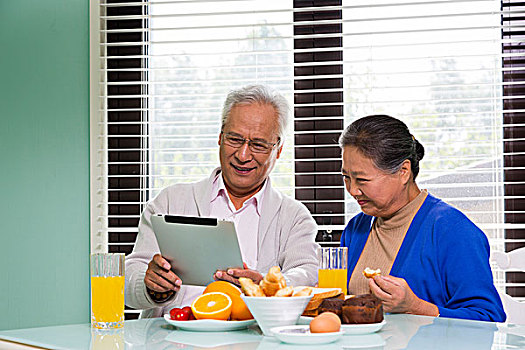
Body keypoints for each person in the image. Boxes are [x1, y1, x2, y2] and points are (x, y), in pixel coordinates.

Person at [125, 85, 319, 318]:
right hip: (170, 337)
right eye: (235, 139)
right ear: (220, 137)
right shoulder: (169, 201)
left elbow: (308, 273)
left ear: (278, 150)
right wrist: (152, 286)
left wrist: (269, 286)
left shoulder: (294, 217)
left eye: (258, 144)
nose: (243, 155)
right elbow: (130, 278)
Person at [339, 114, 506, 322]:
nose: (352, 190)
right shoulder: (356, 228)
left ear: (403, 171)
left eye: (362, 179)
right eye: (346, 177)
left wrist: (414, 306)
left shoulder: (453, 231)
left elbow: (489, 318)